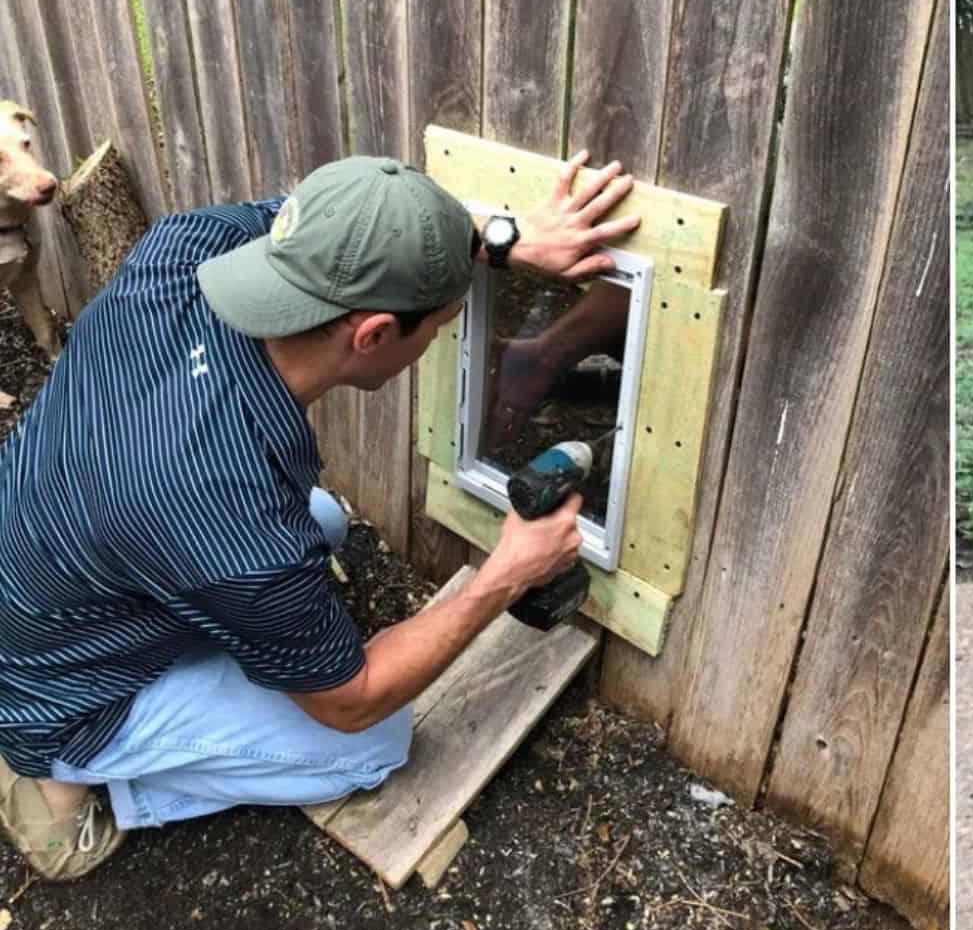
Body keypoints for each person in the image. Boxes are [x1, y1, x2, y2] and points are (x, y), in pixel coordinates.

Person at [0, 150, 638, 879]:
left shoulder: (183, 250)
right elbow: (353, 702)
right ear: (370, 335)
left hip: (44, 553)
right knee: (372, 744)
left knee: (323, 522)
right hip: (57, 685)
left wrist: (502, 240)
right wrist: (507, 574)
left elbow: (350, 228)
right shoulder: (228, 518)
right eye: (440, 326)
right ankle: (74, 784)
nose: (442, 341)